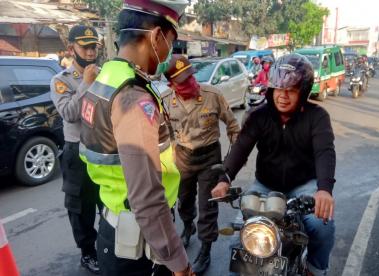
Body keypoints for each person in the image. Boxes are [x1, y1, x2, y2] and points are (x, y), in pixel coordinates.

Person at [79, 1, 194, 275]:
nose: (170, 53)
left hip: (114, 226)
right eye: (171, 42)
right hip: (139, 246)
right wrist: (178, 263)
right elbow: (146, 196)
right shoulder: (133, 97)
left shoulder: (107, 76)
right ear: (156, 37)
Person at [211, 54, 336, 276]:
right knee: (238, 240)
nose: (283, 96)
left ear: (303, 91)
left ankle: (316, 269)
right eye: (279, 89)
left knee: (321, 227)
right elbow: (241, 148)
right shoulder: (259, 116)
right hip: (265, 187)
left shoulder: (317, 117)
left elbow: (325, 152)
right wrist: (224, 179)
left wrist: (324, 190)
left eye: (291, 90)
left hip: (303, 186)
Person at [162, 55, 241, 274]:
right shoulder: (165, 100)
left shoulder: (212, 95)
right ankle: (188, 226)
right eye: (182, 80)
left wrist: (231, 160)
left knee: (208, 206)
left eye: (191, 77)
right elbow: (164, 133)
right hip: (183, 157)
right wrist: (167, 157)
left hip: (209, 158)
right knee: (184, 200)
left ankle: (205, 249)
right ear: (171, 83)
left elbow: (233, 127)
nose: (190, 83)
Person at [50, 25, 102, 274]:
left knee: (109, 203)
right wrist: (87, 84)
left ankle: (108, 246)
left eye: (94, 47)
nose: (91, 52)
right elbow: (69, 114)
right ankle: (88, 253)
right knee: (80, 207)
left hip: (103, 149)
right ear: (72, 49)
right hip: (76, 151)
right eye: (86, 47)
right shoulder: (61, 81)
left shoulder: (104, 74)